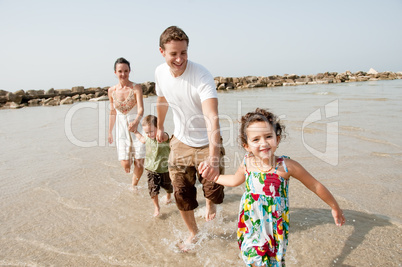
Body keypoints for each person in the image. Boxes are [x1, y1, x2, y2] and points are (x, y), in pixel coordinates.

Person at [199, 108, 345, 266]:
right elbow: (235, 180)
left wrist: (334, 206)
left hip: (274, 226)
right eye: (256, 140)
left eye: (268, 136)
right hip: (250, 222)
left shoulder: (287, 166)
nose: (263, 143)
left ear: (278, 138)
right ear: (246, 145)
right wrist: (215, 177)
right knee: (254, 258)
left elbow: (315, 185)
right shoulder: (247, 162)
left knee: (273, 262)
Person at [155, 26, 225, 249]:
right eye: (173, 53)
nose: (179, 59)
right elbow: (162, 99)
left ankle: (210, 204)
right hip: (181, 142)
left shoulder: (201, 75)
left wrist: (213, 157)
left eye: (183, 53)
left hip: (207, 143)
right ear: (162, 52)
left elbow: (212, 116)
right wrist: (159, 126)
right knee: (181, 194)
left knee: (213, 191)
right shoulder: (159, 73)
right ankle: (193, 232)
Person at [108, 57, 145, 189]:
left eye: (126, 71)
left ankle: (133, 186)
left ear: (130, 71)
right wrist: (109, 132)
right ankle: (129, 169)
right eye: (120, 71)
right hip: (121, 128)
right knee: (125, 164)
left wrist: (136, 122)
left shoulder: (136, 88)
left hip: (137, 126)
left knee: (139, 161)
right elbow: (112, 112)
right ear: (115, 72)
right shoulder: (111, 91)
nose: (123, 74)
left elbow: (141, 109)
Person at [133, 115, 173, 217]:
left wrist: (160, 131)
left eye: (151, 131)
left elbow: (165, 136)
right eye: (147, 132)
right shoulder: (147, 137)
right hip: (151, 169)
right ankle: (156, 206)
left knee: (169, 187)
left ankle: (168, 196)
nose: (149, 134)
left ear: (158, 128)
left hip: (165, 169)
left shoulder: (163, 137)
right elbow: (142, 139)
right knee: (152, 190)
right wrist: (135, 132)